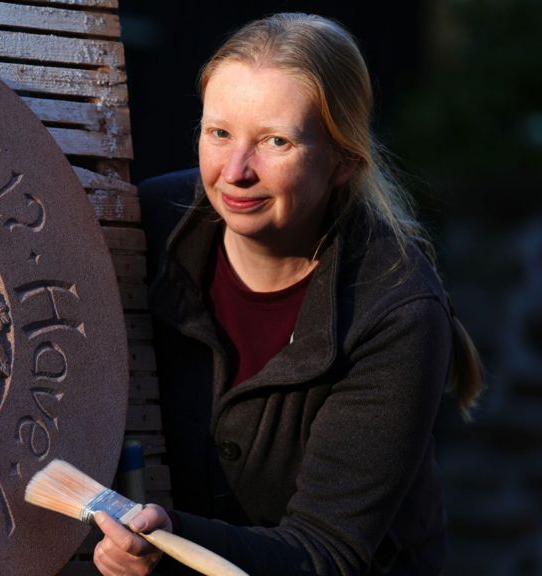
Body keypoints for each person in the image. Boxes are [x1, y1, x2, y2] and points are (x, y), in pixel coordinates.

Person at [92, 13, 484, 576]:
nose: (235, 171)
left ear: (343, 161)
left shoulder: (397, 313)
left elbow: (326, 552)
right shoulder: (145, 227)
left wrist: (170, 540)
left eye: (274, 141)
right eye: (218, 132)